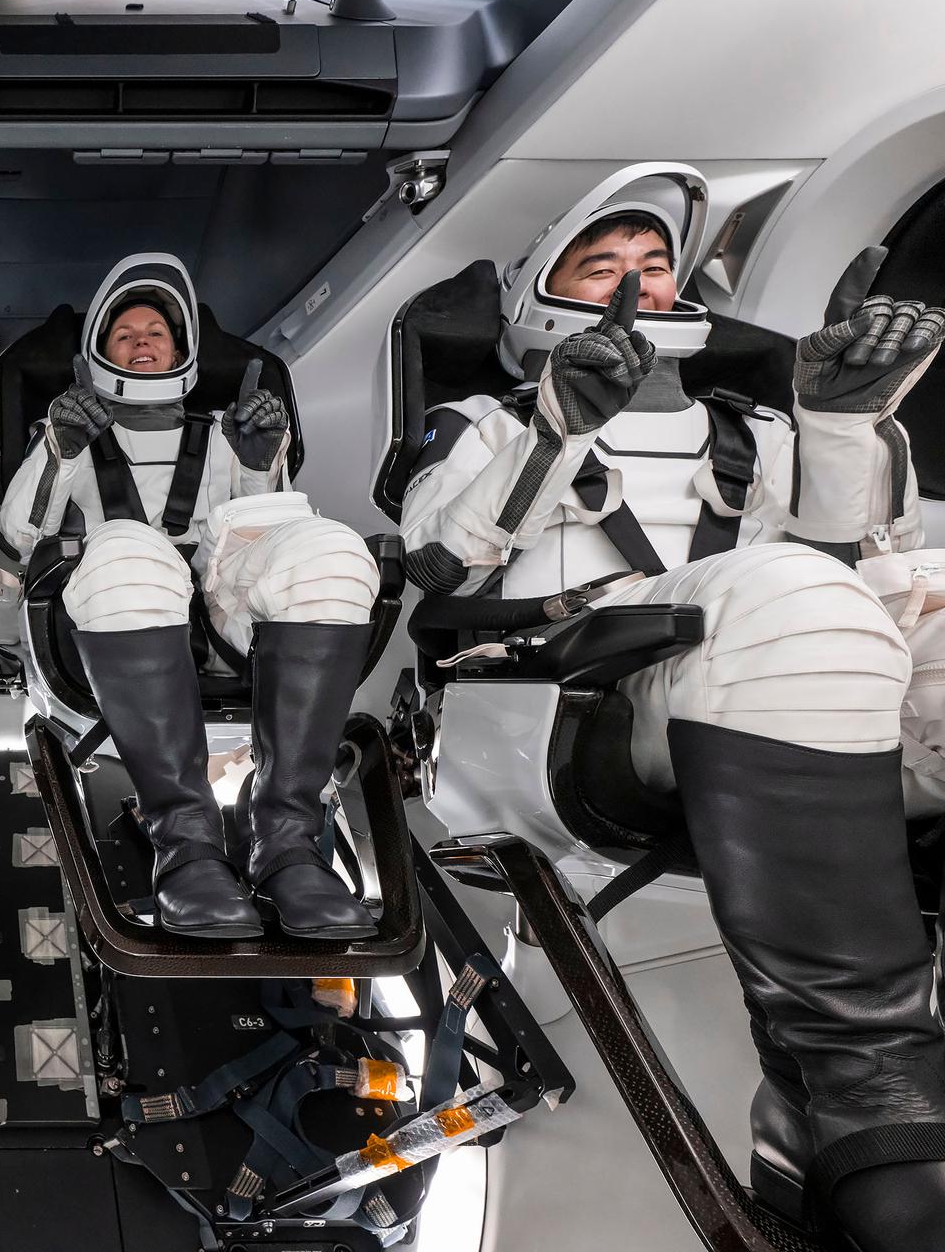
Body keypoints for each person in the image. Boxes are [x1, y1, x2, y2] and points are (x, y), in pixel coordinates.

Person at [401, 162, 945, 1250]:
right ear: (540, 297)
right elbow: (441, 566)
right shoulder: (478, 422)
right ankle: (855, 1093)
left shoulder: (756, 429)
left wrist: (840, 428)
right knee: (786, 589)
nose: (637, 282)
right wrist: (554, 426)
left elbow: (860, 572)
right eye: (603, 264)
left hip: (760, 691)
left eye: (654, 263)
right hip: (559, 710)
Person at [0, 254, 380, 941]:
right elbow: (21, 535)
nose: (142, 342)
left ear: (181, 351)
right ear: (97, 355)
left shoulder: (228, 436)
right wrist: (59, 447)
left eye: (157, 334)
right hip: (115, 605)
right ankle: (186, 847)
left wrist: (264, 464)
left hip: (223, 607)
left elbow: (268, 538)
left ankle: (288, 844)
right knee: (126, 548)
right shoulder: (72, 434)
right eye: (125, 336)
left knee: (333, 550)